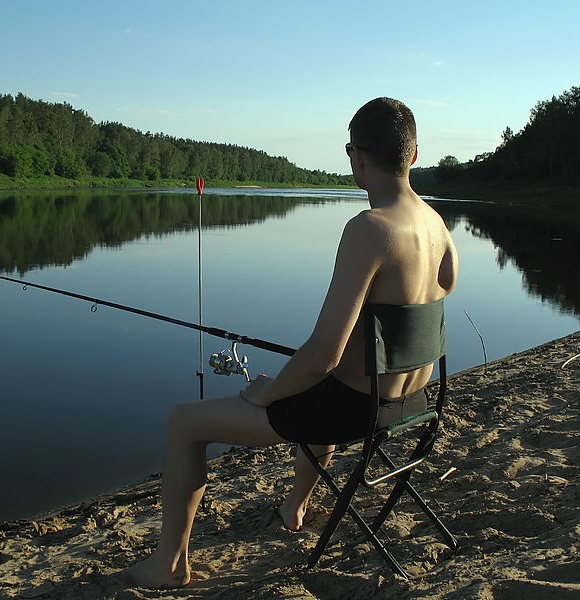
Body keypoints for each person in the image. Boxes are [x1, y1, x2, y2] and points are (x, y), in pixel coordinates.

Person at [126, 97, 459, 589]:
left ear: (356, 157)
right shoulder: (437, 225)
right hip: (410, 402)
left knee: (185, 423)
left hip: (352, 409)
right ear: (413, 155)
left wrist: (271, 391)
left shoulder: (370, 228)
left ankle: (169, 564)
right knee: (311, 384)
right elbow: (428, 301)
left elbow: (323, 356)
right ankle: (295, 505)